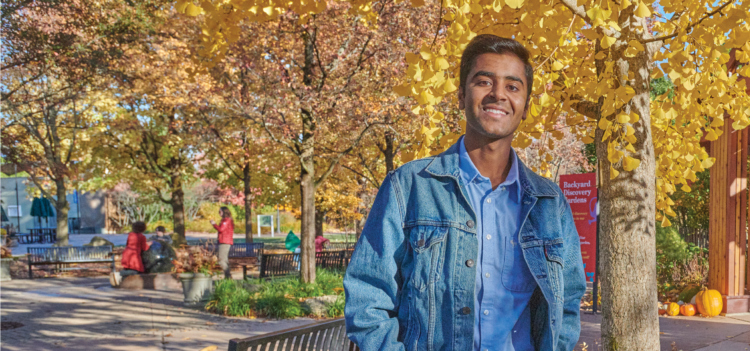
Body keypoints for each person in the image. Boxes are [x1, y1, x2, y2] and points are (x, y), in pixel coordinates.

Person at [344, 35, 586, 351]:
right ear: (461, 96)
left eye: (513, 87)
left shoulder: (549, 203)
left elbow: (567, 300)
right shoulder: (409, 187)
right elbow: (368, 297)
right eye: (484, 82)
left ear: (525, 107)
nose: (498, 94)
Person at [210, 207, 234, 279]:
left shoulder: (227, 220)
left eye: (220, 212)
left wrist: (214, 224)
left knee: (221, 260)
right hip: (224, 241)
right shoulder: (226, 220)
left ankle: (228, 276)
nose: (219, 213)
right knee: (224, 260)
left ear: (224, 212)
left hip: (224, 242)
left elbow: (221, 229)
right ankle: (228, 277)